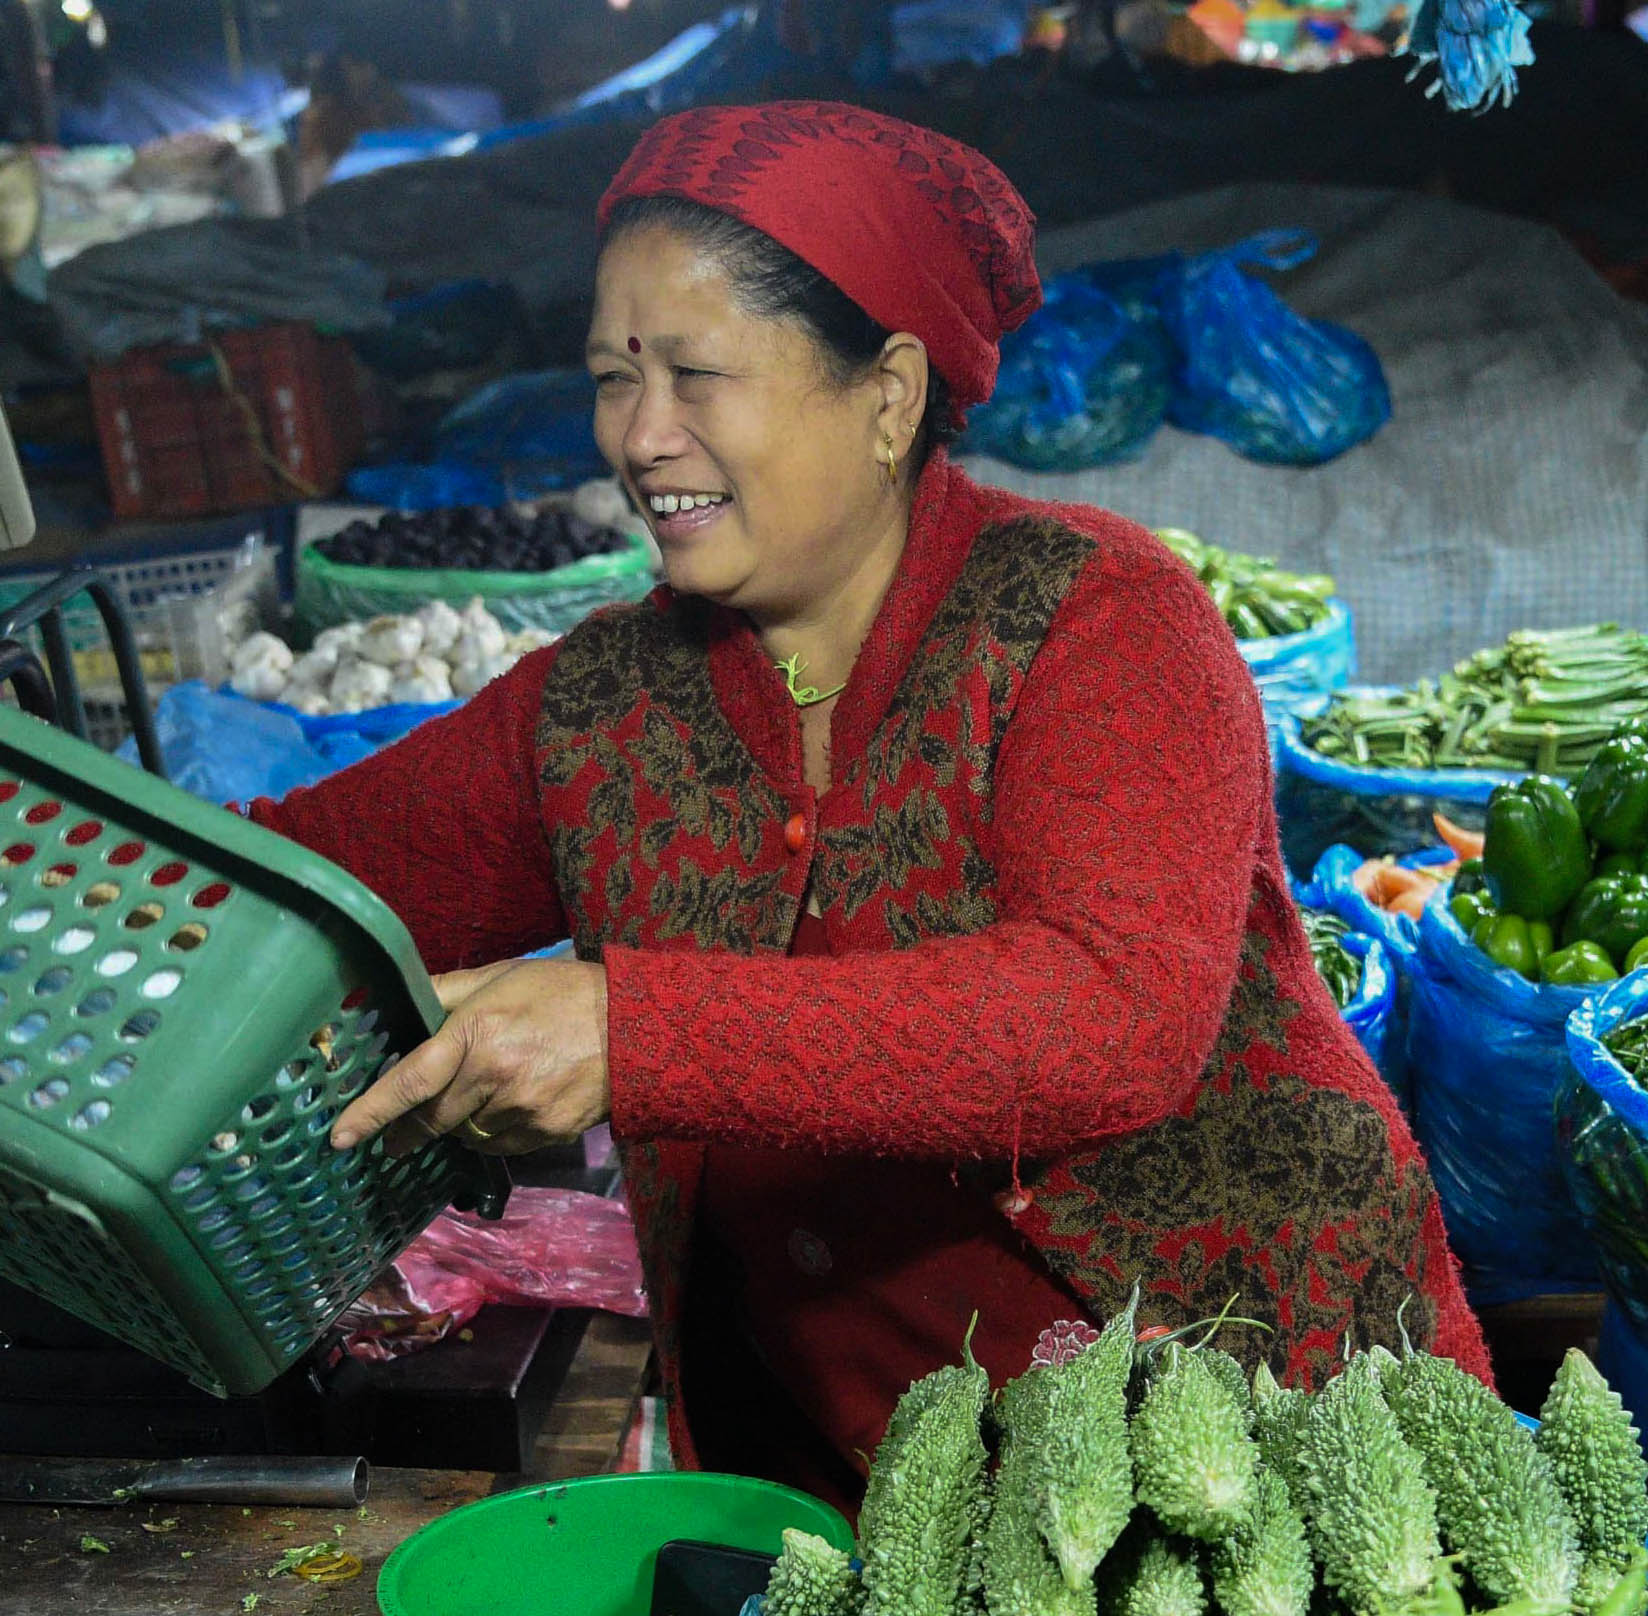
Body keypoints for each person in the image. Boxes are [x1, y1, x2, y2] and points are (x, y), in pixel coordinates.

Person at [255, 104, 1485, 1504]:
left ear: (888, 395)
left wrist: (630, 1026)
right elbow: (279, 890)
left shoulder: (1098, 621)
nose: (641, 435)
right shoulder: (600, 707)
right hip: (869, 1510)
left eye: (698, 375)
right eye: (612, 377)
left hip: (1272, 1454)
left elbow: (1106, 1016)